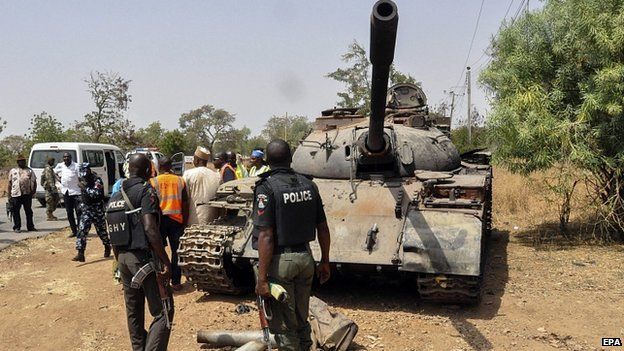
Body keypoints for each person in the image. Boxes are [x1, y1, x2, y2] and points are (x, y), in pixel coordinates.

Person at [253, 139, 331, 351]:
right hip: (306, 258)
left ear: (267, 161)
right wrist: (325, 261)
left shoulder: (266, 187)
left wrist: (261, 279)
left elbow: (266, 235)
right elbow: (323, 228)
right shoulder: (309, 185)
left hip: (281, 263)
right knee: (301, 318)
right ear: (290, 159)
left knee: (284, 326)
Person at [109, 153, 173, 351]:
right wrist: (166, 262)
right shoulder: (146, 191)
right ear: (148, 170)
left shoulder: (116, 196)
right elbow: (150, 228)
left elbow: (112, 232)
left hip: (123, 260)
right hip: (143, 260)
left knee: (134, 312)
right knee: (163, 311)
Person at [150, 156, 189, 291]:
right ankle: (176, 282)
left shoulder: (153, 182)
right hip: (177, 221)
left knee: (158, 251)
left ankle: (162, 280)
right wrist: (185, 221)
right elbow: (185, 203)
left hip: (160, 221)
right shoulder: (180, 180)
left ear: (159, 167)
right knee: (176, 251)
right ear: (171, 166)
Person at [72, 163, 111, 262]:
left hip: (97, 210)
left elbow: (96, 193)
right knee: (82, 230)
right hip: (86, 209)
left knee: (102, 232)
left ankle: (107, 246)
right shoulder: (82, 178)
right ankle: (80, 253)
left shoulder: (96, 180)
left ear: (89, 170)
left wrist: (85, 188)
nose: (84, 175)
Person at [183, 146, 220, 225]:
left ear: (197, 160)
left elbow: (185, 200)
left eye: (194, 158)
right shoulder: (217, 176)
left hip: (193, 221)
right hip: (213, 221)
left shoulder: (188, 174)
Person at [7, 155, 37, 233]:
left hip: (27, 194)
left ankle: (30, 226)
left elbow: (34, 181)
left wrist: (33, 192)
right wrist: (9, 195)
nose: (22, 162)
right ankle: (17, 227)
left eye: (23, 161)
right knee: (16, 211)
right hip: (16, 194)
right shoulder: (13, 171)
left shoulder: (29, 171)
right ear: (17, 162)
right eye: (20, 161)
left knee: (28, 211)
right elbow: (10, 183)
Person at [55, 152, 82, 237]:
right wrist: (59, 180)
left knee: (78, 212)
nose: (66, 158)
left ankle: (80, 230)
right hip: (66, 192)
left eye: (67, 157)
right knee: (69, 212)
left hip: (76, 191)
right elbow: (53, 172)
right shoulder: (60, 165)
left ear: (71, 158)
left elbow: (81, 177)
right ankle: (74, 231)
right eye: (64, 157)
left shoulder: (76, 166)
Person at [40, 157, 60, 221]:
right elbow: (49, 179)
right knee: (50, 201)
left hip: (51, 187)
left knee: (55, 199)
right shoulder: (48, 169)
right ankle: (49, 215)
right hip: (49, 188)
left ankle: (50, 213)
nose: (53, 163)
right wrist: (53, 187)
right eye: (52, 161)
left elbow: (54, 176)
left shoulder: (51, 168)